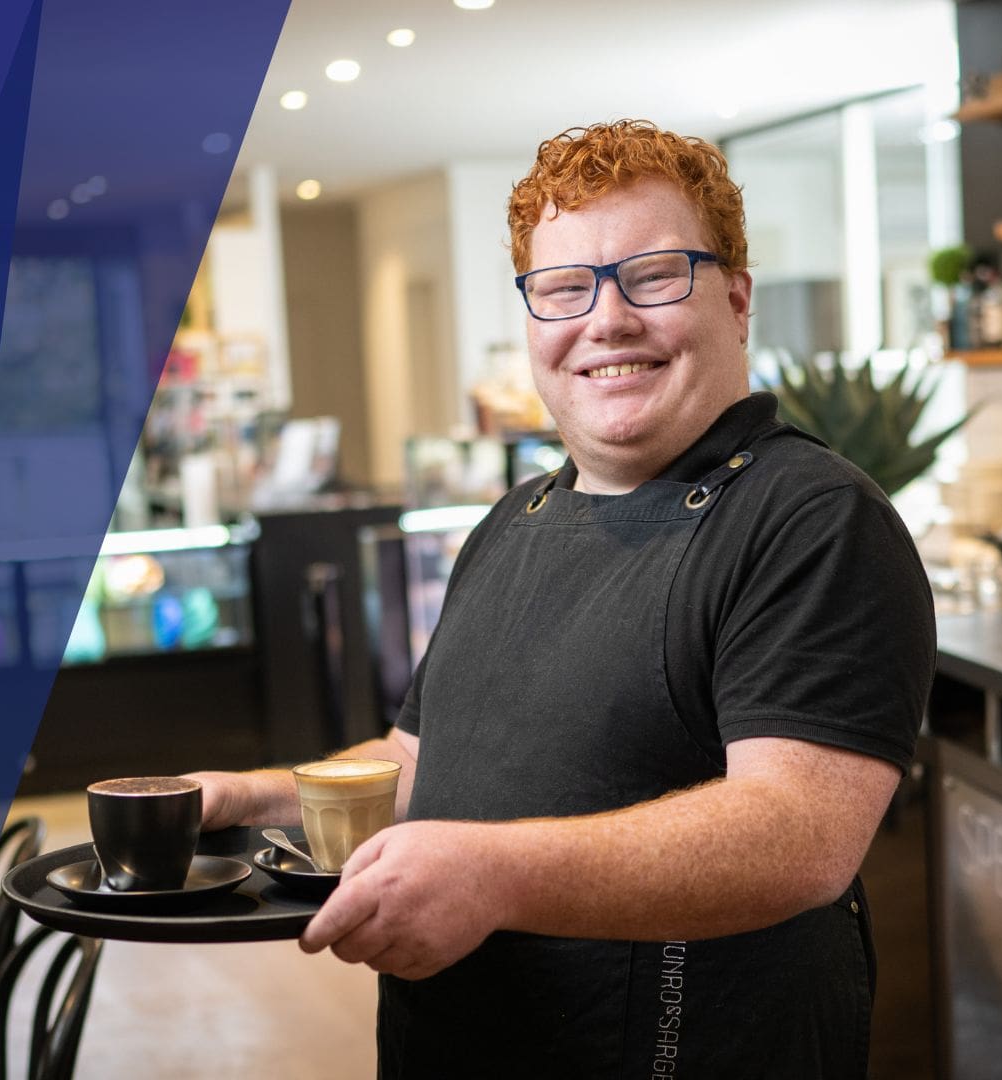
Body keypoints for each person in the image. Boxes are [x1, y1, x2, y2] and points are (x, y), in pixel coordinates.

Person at [188, 120, 934, 1078]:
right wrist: (238, 800)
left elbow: (796, 834)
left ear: (738, 300)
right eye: (565, 288)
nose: (607, 320)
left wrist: (492, 876)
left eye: (656, 274)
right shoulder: (516, 520)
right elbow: (418, 764)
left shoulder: (812, 519)